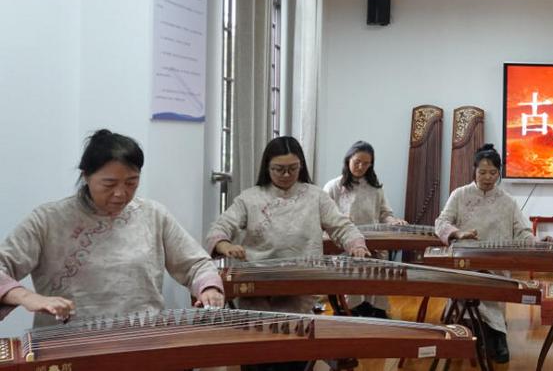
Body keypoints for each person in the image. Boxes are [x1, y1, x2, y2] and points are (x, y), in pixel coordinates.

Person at [0, 129, 224, 328]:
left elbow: (196, 263)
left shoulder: (153, 215)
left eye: (131, 182)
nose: (120, 193)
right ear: (86, 176)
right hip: (67, 344)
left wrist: (208, 288)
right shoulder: (48, 220)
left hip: (141, 340)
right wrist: (27, 297)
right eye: (109, 184)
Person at [205, 136, 369, 371]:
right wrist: (224, 245)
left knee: (293, 353)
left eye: (292, 168)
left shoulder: (315, 196)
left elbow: (341, 226)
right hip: (257, 289)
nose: (286, 174)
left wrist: (356, 245)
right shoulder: (250, 198)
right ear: (267, 167)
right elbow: (219, 227)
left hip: (299, 286)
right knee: (258, 355)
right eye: (278, 169)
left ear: (301, 165)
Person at [434, 143, 537, 364]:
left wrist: (537, 243)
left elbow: (522, 231)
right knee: (470, 287)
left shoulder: (508, 201)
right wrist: (458, 233)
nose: (488, 177)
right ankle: (487, 333)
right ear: (474, 170)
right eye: (482, 172)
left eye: (493, 172)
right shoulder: (460, 195)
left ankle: (494, 332)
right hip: (465, 263)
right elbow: (441, 222)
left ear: (499, 173)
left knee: (492, 288)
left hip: (496, 264)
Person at [324, 140, 405, 318]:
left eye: (366, 163)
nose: (361, 167)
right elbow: (323, 218)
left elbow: (385, 213)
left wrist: (393, 221)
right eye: (357, 162)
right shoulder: (333, 187)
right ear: (348, 160)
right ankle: (352, 309)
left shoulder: (375, 188)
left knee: (378, 267)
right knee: (352, 265)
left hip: (373, 243)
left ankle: (375, 310)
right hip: (342, 245)